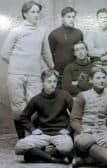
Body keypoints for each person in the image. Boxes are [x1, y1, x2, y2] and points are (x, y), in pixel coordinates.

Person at [1, 1, 54, 139]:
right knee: (18, 106)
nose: (36, 15)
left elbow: (46, 52)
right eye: (33, 12)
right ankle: (21, 139)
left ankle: (35, 138)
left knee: (35, 105)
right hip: (16, 75)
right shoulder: (16, 31)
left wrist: (53, 68)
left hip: (34, 74)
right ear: (25, 14)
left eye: (37, 12)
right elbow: (5, 53)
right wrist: (18, 64)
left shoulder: (42, 31)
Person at [15, 70, 73, 164]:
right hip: (43, 134)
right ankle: (53, 158)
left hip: (60, 133)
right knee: (19, 147)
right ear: (42, 83)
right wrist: (32, 129)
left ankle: (39, 154)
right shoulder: (36, 99)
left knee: (66, 148)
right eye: (49, 81)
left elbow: (75, 115)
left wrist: (68, 129)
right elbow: (23, 117)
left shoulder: (64, 95)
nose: (52, 84)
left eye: (54, 81)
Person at [48, 7, 83, 88]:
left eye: (73, 17)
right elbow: (49, 55)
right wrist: (53, 69)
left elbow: (81, 52)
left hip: (75, 72)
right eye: (68, 17)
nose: (71, 19)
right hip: (59, 73)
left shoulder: (79, 33)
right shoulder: (54, 34)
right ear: (62, 18)